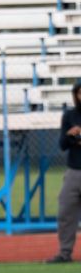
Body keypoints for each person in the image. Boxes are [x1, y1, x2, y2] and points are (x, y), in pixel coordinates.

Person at [46, 82, 81, 263]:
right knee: (66, 213)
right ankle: (65, 252)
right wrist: (70, 134)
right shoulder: (70, 115)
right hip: (74, 170)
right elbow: (62, 145)